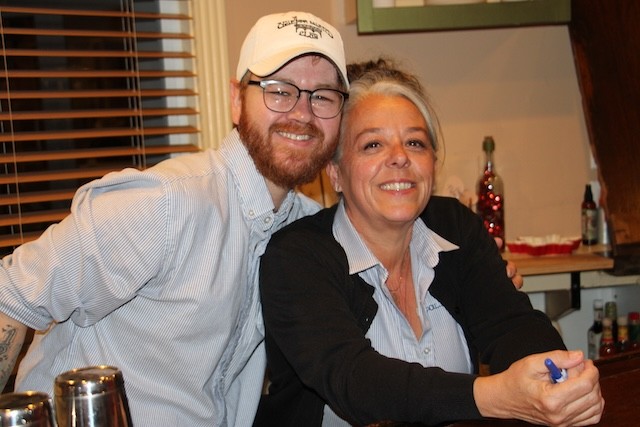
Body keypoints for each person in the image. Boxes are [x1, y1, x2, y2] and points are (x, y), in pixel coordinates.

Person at [0, 11, 349, 426]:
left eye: (323, 96)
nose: (303, 113)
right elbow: (13, 297)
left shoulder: (306, 230)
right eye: (279, 90)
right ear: (237, 100)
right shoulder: (165, 204)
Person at [255, 58, 604, 427]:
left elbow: (512, 324)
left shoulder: (455, 227)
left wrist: (556, 380)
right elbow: (355, 381)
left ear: (433, 164)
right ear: (335, 172)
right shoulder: (296, 256)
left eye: (415, 142)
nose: (399, 158)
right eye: (372, 144)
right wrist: (495, 395)